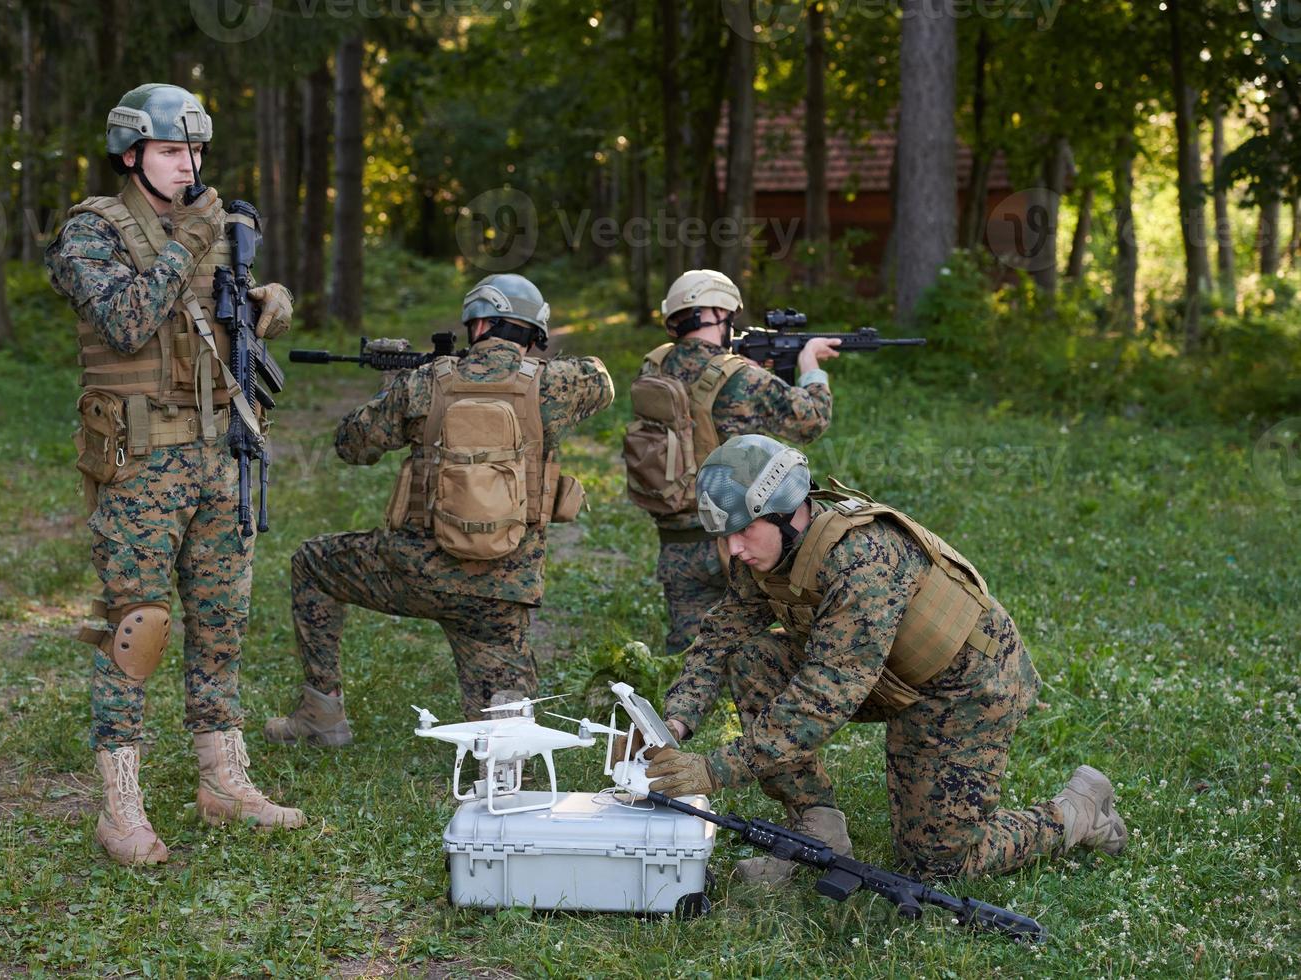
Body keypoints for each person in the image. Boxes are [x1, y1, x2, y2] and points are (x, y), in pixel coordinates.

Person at [643, 434, 1127, 884]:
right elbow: (719, 639)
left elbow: (822, 698)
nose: (733, 548)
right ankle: (818, 831)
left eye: (744, 530)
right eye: (724, 536)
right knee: (753, 658)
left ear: (788, 513)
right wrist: (673, 725)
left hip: (963, 690)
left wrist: (714, 769)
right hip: (884, 676)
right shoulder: (767, 555)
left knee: (938, 867)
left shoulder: (863, 561)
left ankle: (1077, 812)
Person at [46, 83, 303, 866]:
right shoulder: (94, 230)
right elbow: (125, 321)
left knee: (222, 621)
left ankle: (222, 780)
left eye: (195, 151)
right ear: (131, 154)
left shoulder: (215, 227)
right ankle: (119, 808)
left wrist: (264, 303)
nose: (187, 165)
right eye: (169, 150)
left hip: (221, 453)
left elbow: (212, 318)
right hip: (139, 461)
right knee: (137, 630)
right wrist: (191, 238)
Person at [264, 273, 615, 743]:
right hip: (500, 593)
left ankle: (320, 716)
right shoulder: (559, 384)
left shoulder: (423, 383)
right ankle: (504, 753)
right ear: (534, 335)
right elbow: (603, 382)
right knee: (505, 737)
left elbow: (352, 445)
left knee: (312, 563)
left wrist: (401, 385)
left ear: (478, 323)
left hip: (415, 574)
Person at [623, 269, 837, 655]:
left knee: (688, 653)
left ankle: (678, 710)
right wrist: (810, 366)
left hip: (675, 537)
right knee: (750, 648)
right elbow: (811, 419)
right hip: (739, 535)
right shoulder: (742, 378)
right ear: (720, 315)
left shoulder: (653, 367)